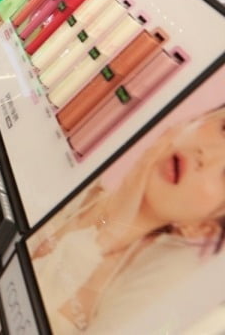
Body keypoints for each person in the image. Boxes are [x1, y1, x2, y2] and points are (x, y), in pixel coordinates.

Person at [29, 101, 225, 334]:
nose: (208, 155)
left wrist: (109, 233)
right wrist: (109, 221)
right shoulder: (80, 180)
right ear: (193, 121)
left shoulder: (165, 279)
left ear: (203, 228)